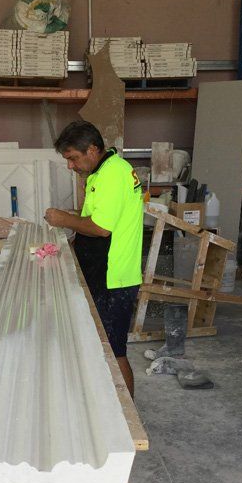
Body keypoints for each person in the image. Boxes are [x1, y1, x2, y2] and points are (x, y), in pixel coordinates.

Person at [45, 121, 143, 398]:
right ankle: (105, 403)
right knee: (102, 345)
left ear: (91, 150)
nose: (70, 166)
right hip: (102, 272)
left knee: (114, 350)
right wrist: (69, 245)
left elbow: (101, 228)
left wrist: (62, 219)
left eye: (73, 158)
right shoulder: (102, 173)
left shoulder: (114, 174)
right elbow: (92, 221)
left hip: (115, 277)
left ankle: (127, 417)